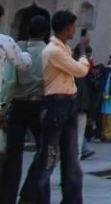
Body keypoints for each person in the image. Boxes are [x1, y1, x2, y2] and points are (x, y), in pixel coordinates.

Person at [23, 10, 89, 204]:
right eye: (73, 27)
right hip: (55, 107)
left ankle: (72, 200)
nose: (74, 31)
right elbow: (80, 71)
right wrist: (84, 52)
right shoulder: (53, 51)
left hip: (67, 104)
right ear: (67, 27)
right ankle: (35, 198)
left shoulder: (63, 49)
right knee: (49, 159)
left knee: (71, 160)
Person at [1, 12, 43, 204]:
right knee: (46, 152)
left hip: (16, 106)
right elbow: (23, 64)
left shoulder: (16, 44)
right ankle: (30, 192)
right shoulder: (8, 43)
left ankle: (7, 196)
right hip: (36, 106)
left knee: (12, 155)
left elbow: (11, 81)